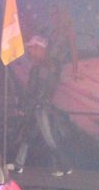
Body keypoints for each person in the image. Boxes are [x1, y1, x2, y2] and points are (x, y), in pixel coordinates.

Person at [12, 35, 73, 176]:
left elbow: (39, 90)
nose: (29, 51)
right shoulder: (48, 66)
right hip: (39, 106)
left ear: (39, 49)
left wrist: (30, 105)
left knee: (49, 138)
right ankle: (18, 164)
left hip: (40, 107)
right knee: (28, 135)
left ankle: (65, 167)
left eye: (32, 48)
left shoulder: (43, 67)